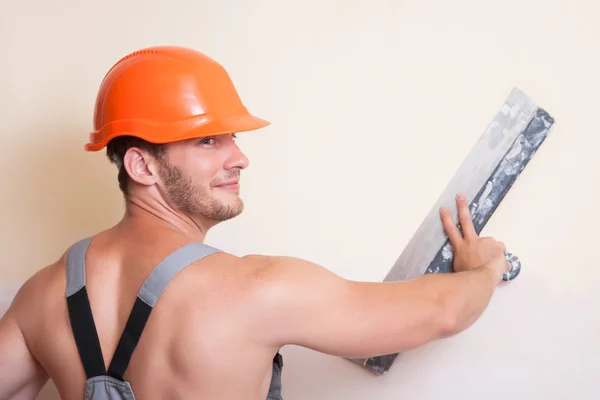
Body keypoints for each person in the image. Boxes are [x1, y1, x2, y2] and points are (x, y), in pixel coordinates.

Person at [0, 46, 511, 400]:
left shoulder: (40, 297)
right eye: (208, 141)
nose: (240, 157)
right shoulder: (255, 291)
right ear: (141, 165)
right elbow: (442, 312)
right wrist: (483, 269)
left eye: (232, 139)